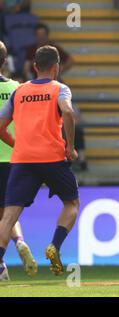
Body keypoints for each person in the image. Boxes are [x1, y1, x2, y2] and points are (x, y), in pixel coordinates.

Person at [0, 45, 80, 277]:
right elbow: (67, 112)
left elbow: (1, 127)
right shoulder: (60, 88)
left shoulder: (20, 91)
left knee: (9, 216)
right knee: (72, 203)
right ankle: (54, 245)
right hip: (52, 158)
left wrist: (19, 145)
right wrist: (70, 147)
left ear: (34, 67)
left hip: (23, 160)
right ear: (56, 67)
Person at [0, 40, 36, 281]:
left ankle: (1, 266)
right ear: (5, 61)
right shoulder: (18, 88)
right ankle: (20, 242)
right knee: (9, 213)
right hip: (14, 159)